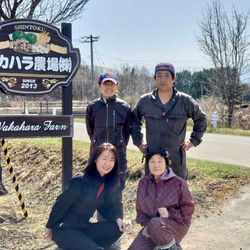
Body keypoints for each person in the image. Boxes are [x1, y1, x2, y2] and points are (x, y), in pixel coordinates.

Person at [43, 143, 127, 250]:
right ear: (96, 159)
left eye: (112, 160)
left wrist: (117, 218)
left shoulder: (105, 182)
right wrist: (49, 227)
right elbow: (61, 204)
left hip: (83, 227)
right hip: (64, 229)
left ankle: (82, 244)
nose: (108, 163)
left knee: (115, 228)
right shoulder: (81, 180)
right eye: (104, 159)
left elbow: (104, 207)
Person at [131, 62, 207, 180]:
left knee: (177, 194)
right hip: (153, 159)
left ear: (174, 78)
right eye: (159, 75)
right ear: (155, 78)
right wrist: (139, 142)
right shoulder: (145, 101)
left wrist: (193, 140)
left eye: (167, 75)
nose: (163, 79)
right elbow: (134, 120)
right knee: (153, 194)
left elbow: (201, 119)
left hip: (176, 160)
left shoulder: (185, 101)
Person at [128, 148, 195, 250]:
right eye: (152, 161)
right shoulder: (143, 183)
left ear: (166, 163)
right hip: (151, 227)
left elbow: (188, 209)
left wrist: (170, 214)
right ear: (148, 163)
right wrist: (148, 226)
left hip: (176, 225)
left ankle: (172, 246)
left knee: (156, 224)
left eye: (160, 161)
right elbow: (140, 212)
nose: (156, 165)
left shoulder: (178, 183)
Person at [86, 71, 131, 218]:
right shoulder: (92, 107)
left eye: (112, 84)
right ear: (99, 86)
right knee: (97, 192)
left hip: (117, 159)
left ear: (117, 86)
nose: (109, 87)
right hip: (97, 157)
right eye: (106, 84)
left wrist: (118, 148)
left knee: (116, 194)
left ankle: (115, 232)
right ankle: (101, 229)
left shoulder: (124, 107)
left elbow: (127, 133)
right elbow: (90, 130)